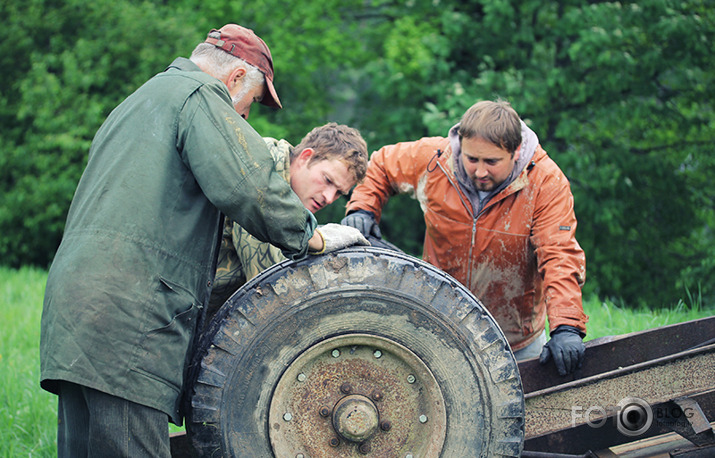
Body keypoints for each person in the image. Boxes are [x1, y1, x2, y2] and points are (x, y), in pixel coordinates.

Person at [39, 23, 367, 457]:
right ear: (234, 80)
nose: (245, 118)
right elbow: (249, 188)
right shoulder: (200, 96)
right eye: (248, 105)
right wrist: (313, 238)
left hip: (74, 311)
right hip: (130, 318)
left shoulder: (138, 101)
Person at [342, 99, 588, 375]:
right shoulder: (437, 160)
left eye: (492, 161)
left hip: (515, 340)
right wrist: (363, 208)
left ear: (516, 151)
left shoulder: (545, 183)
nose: (480, 171)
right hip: (438, 326)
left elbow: (559, 255)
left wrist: (567, 327)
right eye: (472, 159)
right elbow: (382, 165)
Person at [207, 122, 369, 321]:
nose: (329, 197)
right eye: (327, 180)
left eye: (339, 193)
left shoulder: (283, 195)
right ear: (306, 157)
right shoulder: (263, 167)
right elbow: (271, 287)